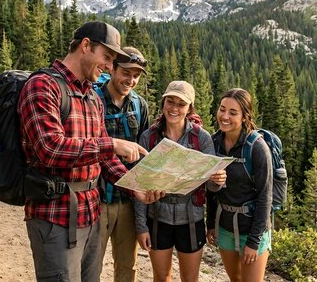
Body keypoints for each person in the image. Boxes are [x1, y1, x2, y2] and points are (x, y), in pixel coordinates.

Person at [17, 21, 164, 282]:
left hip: (91, 215)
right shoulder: (43, 86)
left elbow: (103, 157)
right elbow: (49, 148)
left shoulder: (91, 97)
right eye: (106, 57)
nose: (109, 66)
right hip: (55, 216)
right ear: (86, 46)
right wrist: (113, 144)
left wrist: (135, 188)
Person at [135, 81, 227, 282]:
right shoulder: (148, 138)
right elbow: (139, 185)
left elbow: (210, 186)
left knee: (190, 278)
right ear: (163, 102)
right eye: (170, 101)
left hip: (191, 220)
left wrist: (218, 180)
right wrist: (141, 227)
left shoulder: (201, 138)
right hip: (157, 218)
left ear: (189, 108)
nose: (174, 108)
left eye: (181, 104)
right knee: (161, 277)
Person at [207, 88, 273, 282]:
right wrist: (211, 223)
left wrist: (253, 242)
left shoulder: (257, 148)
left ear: (245, 117)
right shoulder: (214, 142)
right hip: (225, 227)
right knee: (235, 279)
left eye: (233, 112)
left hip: (253, 230)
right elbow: (211, 191)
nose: (225, 116)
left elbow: (265, 198)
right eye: (222, 109)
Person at [97, 46, 150, 282]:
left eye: (136, 75)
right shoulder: (93, 99)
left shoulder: (140, 106)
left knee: (127, 268)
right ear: (113, 68)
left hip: (128, 201)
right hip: (96, 199)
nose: (131, 80)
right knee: (90, 265)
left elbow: (146, 151)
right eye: (126, 72)